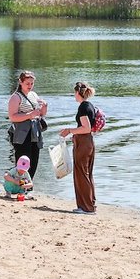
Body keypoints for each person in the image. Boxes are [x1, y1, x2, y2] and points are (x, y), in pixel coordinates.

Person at [60, 81, 97, 214]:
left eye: (74, 93)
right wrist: (74, 133)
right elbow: (88, 128)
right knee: (87, 173)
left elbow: (85, 128)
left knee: (81, 173)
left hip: (84, 143)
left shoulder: (83, 107)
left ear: (77, 93)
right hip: (89, 142)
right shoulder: (90, 106)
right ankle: (90, 205)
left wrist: (69, 130)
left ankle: (86, 207)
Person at [7, 70, 48, 179]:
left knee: (34, 160)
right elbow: (12, 117)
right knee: (23, 160)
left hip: (35, 132)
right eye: (27, 83)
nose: (30, 86)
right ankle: (17, 185)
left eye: (32, 83)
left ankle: (28, 186)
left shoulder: (34, 95)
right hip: (21, 134)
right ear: (20, 82)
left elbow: (41, 114)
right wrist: (29, 115)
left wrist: (44, 107)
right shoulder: (16, 97)